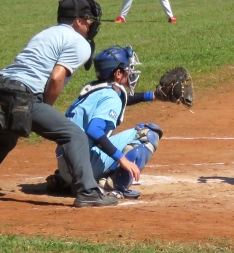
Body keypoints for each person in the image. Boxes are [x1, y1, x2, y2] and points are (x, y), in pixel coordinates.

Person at [0, 0, 117, 208]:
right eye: (88, 20)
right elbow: (57, 77)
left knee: (7, 137)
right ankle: (88, 191)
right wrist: (43, 108)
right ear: (78, 20)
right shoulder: (79, 42)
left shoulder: (47, 33)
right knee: (73, 134)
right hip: (20, 96)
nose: (90, 24)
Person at [47, 45, 163, 199]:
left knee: (100, 139)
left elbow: (122, 100)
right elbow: (94, 130)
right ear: (118, 73)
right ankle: (115, 186)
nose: (131, 72)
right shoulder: (111, 96)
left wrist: (152, 96)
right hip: (84, 167)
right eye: (128, 69)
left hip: (67, 165)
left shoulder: (94, 89)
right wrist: (122, 160)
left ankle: (64, 181)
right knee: (148, 133)